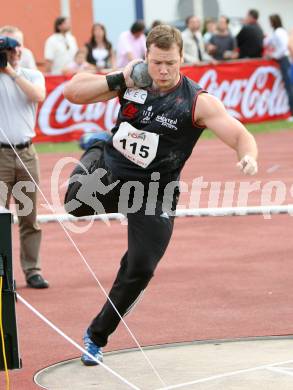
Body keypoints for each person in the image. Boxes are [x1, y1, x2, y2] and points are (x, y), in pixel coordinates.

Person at [63, 24, 258, 365]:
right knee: (74, 204)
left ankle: (96, 337)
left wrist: (248, 156)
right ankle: (95, 145)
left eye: (170, 63)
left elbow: (241, 135)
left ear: (182, 58)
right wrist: (118, 79)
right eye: (156, 63)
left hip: (154, 191)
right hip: (112, 172)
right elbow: (72, 92)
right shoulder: (132, 80)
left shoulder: (197, 101)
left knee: (141, 267)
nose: (163, 71)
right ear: (146, 58)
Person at [0, 26, 49, 288]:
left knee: (29, 216)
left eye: (16, 45)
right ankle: (2, 273)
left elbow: (38, 95)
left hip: (27, 153)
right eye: (7, 47)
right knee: (0, 216)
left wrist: (10, 71)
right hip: (0, 156)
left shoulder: (30, 74)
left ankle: (32, 269)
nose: (13, 51)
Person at [264, 14, 293, 121]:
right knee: (289, 86)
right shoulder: (279, 32)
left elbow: (284, 48)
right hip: (284, 59)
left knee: (289, 86)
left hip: (284, 60)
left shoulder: (279, 32)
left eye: (270, 21)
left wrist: (273, 55)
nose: (270, 23)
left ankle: (292, 113)